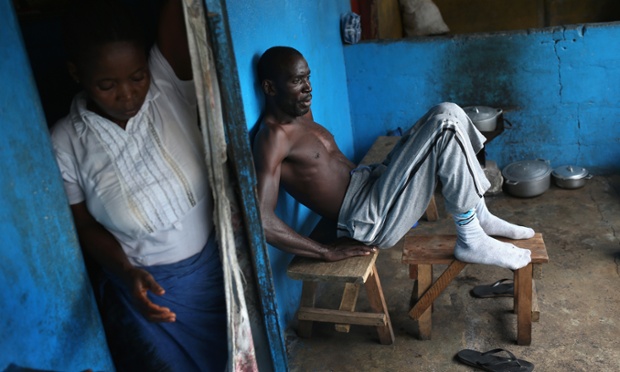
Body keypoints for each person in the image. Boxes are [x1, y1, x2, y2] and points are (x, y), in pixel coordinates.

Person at [50, 0, 227, 370]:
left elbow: (182, 7)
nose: (128, 95)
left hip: (219, 276)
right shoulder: (64, 142)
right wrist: (127, 272)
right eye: (107, 85)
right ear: (76, 73)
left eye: (137, 76)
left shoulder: (167, 86)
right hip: (148, 297)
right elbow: (83, 225)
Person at [253, 46, 534, 270]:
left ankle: (479, 215)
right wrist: (325, 252)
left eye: (307, 78)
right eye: (296, 81)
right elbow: (262, 221)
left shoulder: (300, 113)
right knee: (445, 126)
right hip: (368, 218)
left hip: (372, 182)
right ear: (270, 88)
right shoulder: (273, 138)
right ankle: (470, 238)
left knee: (448, 110)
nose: (308, 88)